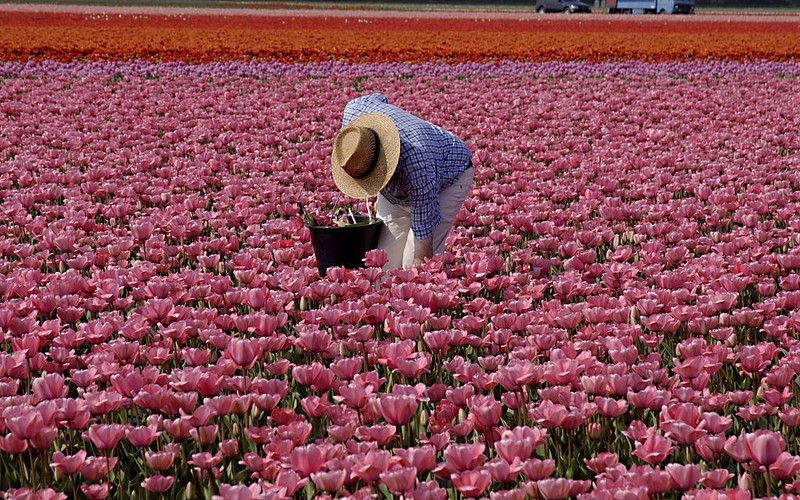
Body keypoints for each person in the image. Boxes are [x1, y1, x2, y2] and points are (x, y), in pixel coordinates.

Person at [331, 93, 474, 270]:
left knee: (412, 266)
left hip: (449, 174)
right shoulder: (354, 115)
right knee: (382, 263)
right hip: (397, 189)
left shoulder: (418, 165)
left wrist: (417, 281)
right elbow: (380, 97)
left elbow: (424, 238)